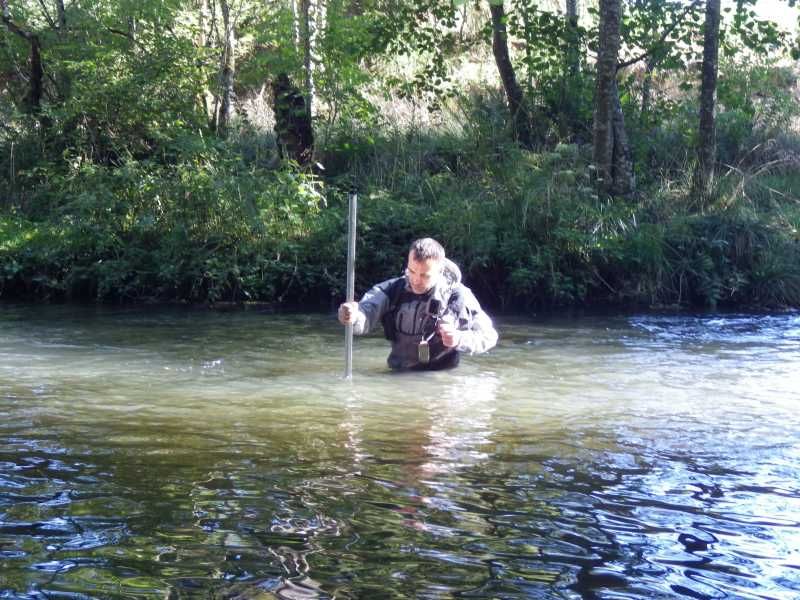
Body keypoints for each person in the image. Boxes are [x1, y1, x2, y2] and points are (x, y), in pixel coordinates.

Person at [338, 238, 498, 370]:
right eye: (411, 271)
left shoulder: (459, 296)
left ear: (440, 271)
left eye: (425, 275)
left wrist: (459, 339)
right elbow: (365, 314)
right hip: (398, 375)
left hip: (444, 381)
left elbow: (489, 337)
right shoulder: (391, 289)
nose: (415, 280)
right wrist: (352, 317)